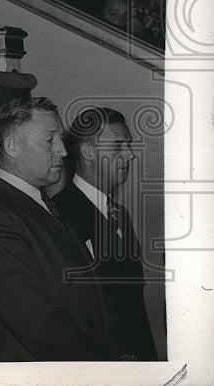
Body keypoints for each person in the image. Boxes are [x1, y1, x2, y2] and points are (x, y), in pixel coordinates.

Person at [0, 96, 131, 361]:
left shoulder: (38, 202)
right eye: (50, 140)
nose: (62, 150)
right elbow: (41, 326)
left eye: (60, 139)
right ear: (12, 147)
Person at [53, 107, 158, 360]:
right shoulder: (60, 215)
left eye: (129, 146)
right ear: (88, 152)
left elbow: (133, 305)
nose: (130, 155)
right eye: (118, 146)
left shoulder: (118, 213)